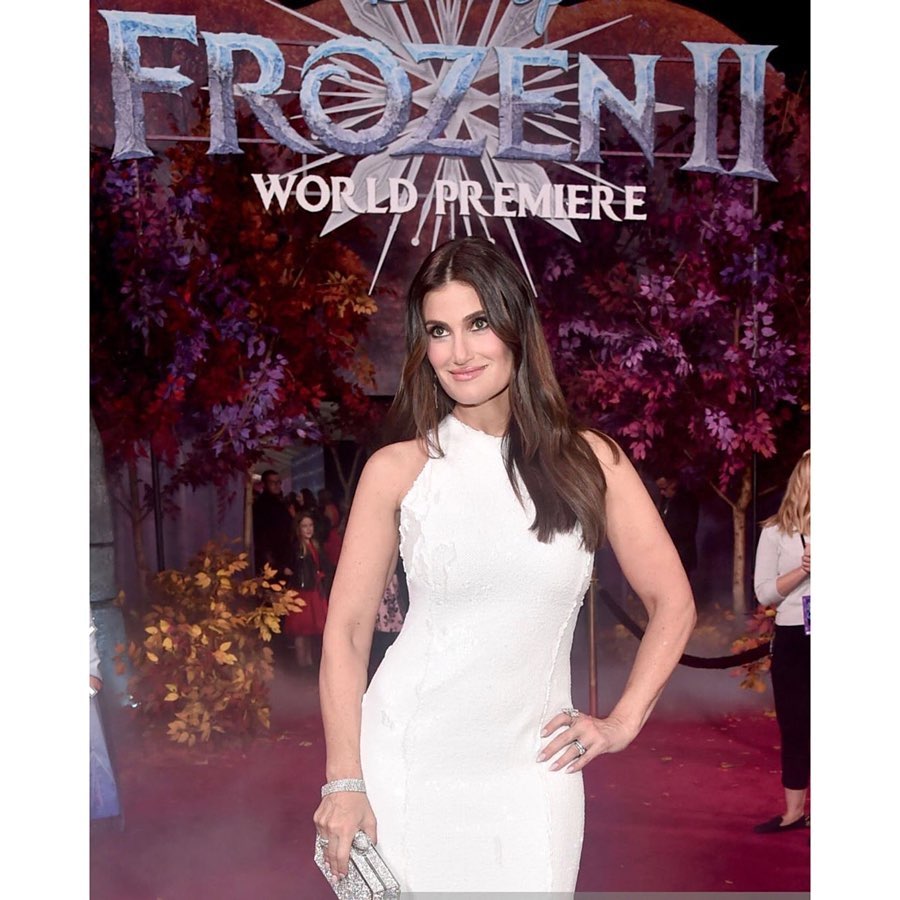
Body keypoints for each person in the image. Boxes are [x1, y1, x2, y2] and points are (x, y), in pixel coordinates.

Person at [312, 237, 696, 892]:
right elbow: (347, 632)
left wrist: (623, 722)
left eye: (478, 323)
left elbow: (673, 603)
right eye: (439, 331)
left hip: (534, 771)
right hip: (411, 761)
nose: (459, 352)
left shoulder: (592, 461)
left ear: (516, 325)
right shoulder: (397, 470)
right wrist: (343, 780)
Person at [752, 450, 811, 833]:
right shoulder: (775, 532)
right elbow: (764, 593)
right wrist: (802, 570)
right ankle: (794, 813)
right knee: (795, 724)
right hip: (794, 635)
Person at [284, 510, 330, 667]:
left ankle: (307, 662)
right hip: (302, 592)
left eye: (310, 525)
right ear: (299, 528)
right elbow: (289, 568)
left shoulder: (314, 545)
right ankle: (301, 664)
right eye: (305, 526)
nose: (309, 529)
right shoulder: (297, 547)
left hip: (312, 590)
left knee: (308, 630)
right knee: (301, 630)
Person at [252, 470, 295, 581]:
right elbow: (260, 534)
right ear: (264, 484)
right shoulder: (261, 505)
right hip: (272, 556)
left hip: (283, 553)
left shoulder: (279, 502)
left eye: (278, 482)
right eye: (272, 482)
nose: (277, 485)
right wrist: (272, 561)